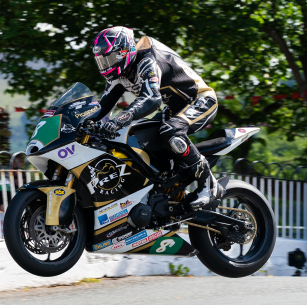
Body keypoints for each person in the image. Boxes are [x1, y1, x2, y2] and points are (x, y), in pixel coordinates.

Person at [89, 26, 222, 210]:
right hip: (174, 108)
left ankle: (209, 183)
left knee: (171, 131)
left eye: (109, 59)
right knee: (142, 136)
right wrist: (84, 125)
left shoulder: (146, 61)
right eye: (102, 61)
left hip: (200, 100)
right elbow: (102, 109)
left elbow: (151, 99)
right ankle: (169, 190)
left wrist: (119, 120)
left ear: (124, 52)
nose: (106, 65)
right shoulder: (117, 75)